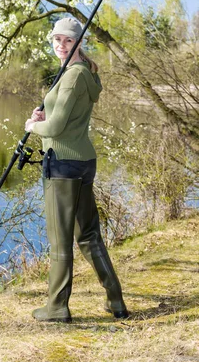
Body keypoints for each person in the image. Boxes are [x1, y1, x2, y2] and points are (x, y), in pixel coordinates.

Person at [25, 16, 128, 323]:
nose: (61, 45)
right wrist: (44, 111)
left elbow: (55, 127)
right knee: (89, 236)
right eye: (57, 39)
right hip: (83, 161)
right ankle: (116, 302)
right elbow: (62, 114)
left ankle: (57, 308)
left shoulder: (72, 76)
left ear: (79, 42)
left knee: (60, 241)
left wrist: (33, 125)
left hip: (64, 164)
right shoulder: (82, 73)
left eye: (68, 40)